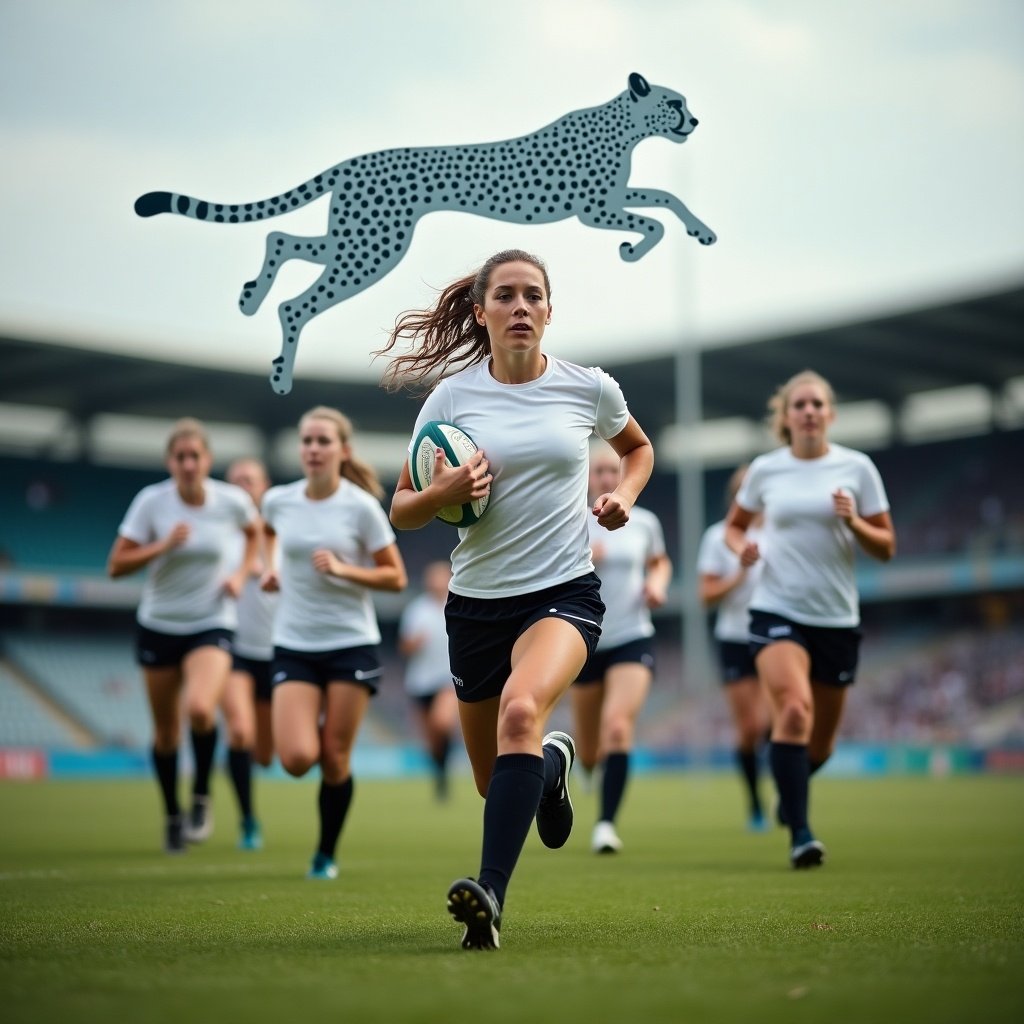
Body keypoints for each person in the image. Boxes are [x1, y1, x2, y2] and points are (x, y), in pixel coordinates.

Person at [381, 248, 654, 950]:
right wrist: (441, 494)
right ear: (482, 312)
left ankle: (489, 899)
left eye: (534, 294)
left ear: (550, 310)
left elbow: (639, 449)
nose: (521, 306)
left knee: (521, 709)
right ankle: (552, 770)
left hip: (563, 593)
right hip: (475, 605)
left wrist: (622, 496)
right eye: (505, 295)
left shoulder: (588, 388)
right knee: (492, 779)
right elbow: (402, 510)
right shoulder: (451, 400)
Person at [725, 370, 895, 869]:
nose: (809, 412)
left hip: (837, 619)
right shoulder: (766, 470)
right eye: (799, 404)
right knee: (793, 710)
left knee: (819, 744)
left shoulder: (857, 468)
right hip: (777, 608)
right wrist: (745, 549)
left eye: (817, 404)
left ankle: (789, 788)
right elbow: (735, 529)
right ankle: (801, 833)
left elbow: (886, 548)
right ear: (786, 417)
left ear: (831, 413)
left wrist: (854, 521)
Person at [260, 406, 407, 880]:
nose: (313, 449)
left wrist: (344, 570)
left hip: (350, 645)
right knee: (299, 758)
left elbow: (395, 577)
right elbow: (265, 533)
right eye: (307, 440)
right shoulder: (279, 501)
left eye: (324, 441)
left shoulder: (360, 507)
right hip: (294, 643)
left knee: (335, 756)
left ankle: (325, 854)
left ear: (343, 450)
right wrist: (270, 565)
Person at [107, 418, 259, 853]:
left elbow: (253, 537)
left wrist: (240, 574)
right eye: (180, 457)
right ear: (170, 462)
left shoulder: (230, 500)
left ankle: (201, 795)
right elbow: (116, 566)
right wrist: (162, 546)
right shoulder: (151, 503)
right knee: (166, 732)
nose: (189, 464)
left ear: (207, 460)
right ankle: (173, 814)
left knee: (200, 708)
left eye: (196, 456)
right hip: (159, 623)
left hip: (211, 620)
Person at [570, 441, 671, 854]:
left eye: (614, 470)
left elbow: (660, 562)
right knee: (590, 749)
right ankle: (588, 770)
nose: (608, 478)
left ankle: (606, 825)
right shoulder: (572, 520)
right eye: (599, 471)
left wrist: (657, 585)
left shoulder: (643, 521)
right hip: (583, 640)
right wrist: (583, 555)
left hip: (633, 635)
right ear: (586, 476)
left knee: (617, 727)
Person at [697, 465, 771, 831]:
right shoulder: (716, 538)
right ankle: (756, 803)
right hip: (734, 638)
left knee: (779, 719)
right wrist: (739, 572)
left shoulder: (779, 532)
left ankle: (788, 793)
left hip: (775, 634)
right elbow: (706, 595)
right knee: (750, 727)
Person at [222, 457, 279, 850]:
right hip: (232, 649)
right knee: (239, 731)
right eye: (236, 481)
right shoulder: (220, 535)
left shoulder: (284, 531)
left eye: (250, 480)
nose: (243, 486)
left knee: (265, 754)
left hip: (278, 653)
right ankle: (247, 820)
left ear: (265, 486)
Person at [397, 561, 460, 801]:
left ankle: (443, 770)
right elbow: (404, 647)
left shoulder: (458, 605)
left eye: (439, 577)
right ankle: (441, 776)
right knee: (431, 741)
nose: (435, 582)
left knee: (441, 723)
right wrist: (413, 643)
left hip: (448, 679)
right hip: (420, 682)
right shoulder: (417, 610)